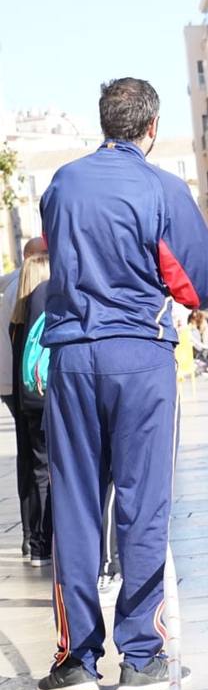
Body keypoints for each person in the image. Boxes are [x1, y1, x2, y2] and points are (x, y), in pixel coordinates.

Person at [37, 77, 208, 690]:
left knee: (75, 506)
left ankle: (75, 660)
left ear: (103, 123)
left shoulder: (62, 183)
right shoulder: (163, 188)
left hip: (72, 356)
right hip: (139, 356)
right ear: (150, 128)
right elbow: (196, 283)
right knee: (144, 506)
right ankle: (141, 655)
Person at [2, 236, 47, 560]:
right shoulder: (43, 288)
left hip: (14, 387)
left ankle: (32, 538)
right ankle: (42, 536)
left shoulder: (10, 290)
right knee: (44, 464)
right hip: (37, 389)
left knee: (28, 462)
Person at [10, 252, 51, 567]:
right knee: (53, 471)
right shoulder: (47, 303)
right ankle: (48, 539)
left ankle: (34, 543)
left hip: (25, 399)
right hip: (46, 395)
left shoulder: (17, 318)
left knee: (34, 470)